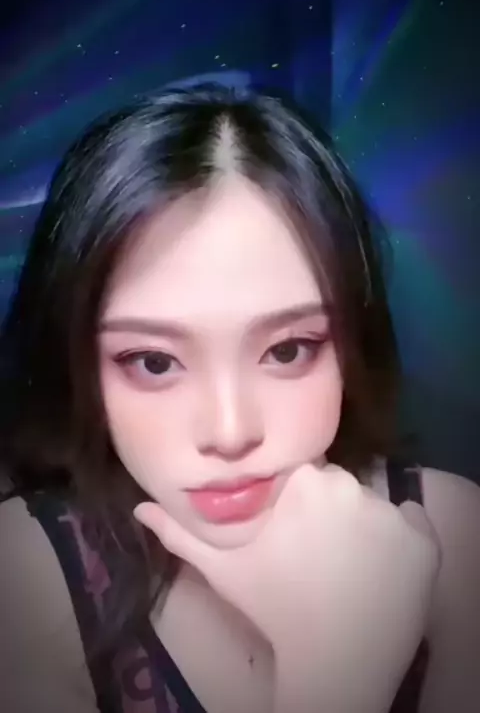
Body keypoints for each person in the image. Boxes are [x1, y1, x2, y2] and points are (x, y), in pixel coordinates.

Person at [0, 82, 478, 713]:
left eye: (288, 350)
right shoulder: (23, 576)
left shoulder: (458, 540)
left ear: (350, 344)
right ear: (80, 363)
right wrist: (339, 678)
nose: (229, 432)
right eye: (154, 362)